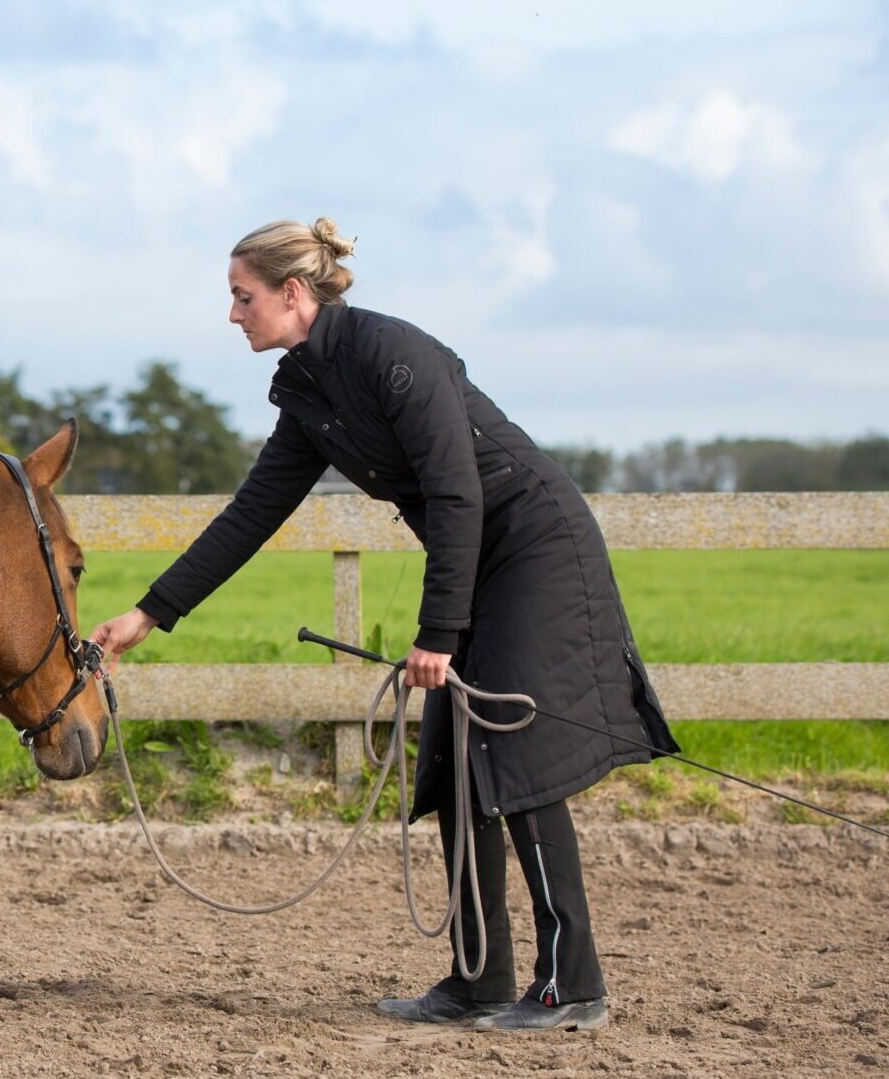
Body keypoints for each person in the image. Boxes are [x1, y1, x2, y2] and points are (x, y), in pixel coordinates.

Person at [90, 218, 679, 1033]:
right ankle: (479, 981)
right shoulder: (305, 393)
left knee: (513, 753)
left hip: (535, 548)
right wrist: (150, 614)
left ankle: (572, 986)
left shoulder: (394, 356)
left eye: (242, 296)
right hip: (470, 556)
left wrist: (438, 634)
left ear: (293, 294)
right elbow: (252, 513)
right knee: (456, 762)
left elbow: (458, 494)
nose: (233, 314)